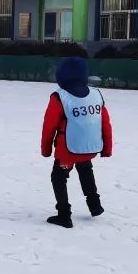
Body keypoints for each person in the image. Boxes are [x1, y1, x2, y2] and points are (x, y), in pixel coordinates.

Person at [41, 56, 113, 229]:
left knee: (58, 177)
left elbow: (49, 126)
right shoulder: (95, 95)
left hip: (68, 150)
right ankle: (95, 205)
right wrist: (107, 148)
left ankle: (64, 214)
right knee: (85, 169)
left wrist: (46, 149)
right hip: (89, 146)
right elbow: (105, 124)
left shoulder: (60, 97)